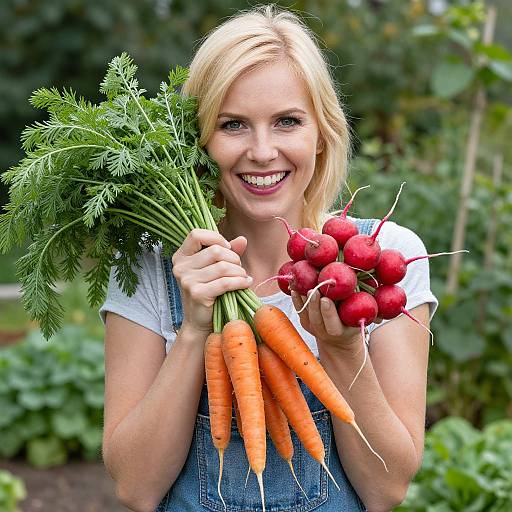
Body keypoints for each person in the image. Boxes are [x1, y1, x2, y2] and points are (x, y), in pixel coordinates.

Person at [99, 4, 438, 511]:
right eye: (233, 124)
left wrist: (344, 351)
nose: (262, 151)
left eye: (286, 122)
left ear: (320, 134)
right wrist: (193, 330)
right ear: (197, 142)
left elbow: (387, 488)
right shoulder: (153, 267)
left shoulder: (382, 261)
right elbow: (135, 488)